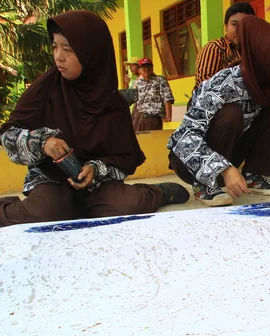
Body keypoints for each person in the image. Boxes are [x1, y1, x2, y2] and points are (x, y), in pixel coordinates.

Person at [0, 10, 189, 227]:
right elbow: (8, 134)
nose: (58, 56)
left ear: (92, 53)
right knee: (45, 212)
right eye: (55, 46)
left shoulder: (112, 102)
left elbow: (123, 158)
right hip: (51, 179)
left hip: (97, 184)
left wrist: (95, 169)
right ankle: (63, 206)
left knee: (129, 204)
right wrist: (43, 143)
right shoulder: (46, 89)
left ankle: (159, 192)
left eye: (68, 49)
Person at [168, 16, 270, 207]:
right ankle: (203, 184)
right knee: (231, 114)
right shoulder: (223, 84)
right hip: (190, 163)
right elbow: (184, 138)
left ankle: (254, 176)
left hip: (230, 155)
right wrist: (226, 170)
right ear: (267, 62)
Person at [193, 2, 270, 170]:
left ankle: (263, 170)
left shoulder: (257, 51)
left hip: (249, 104)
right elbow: (203, 87)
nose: (239, 30)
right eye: (234, 24)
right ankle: (213, 171)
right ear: (225, 26)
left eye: (245, 25)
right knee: (233, 112)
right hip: (217, 108)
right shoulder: (215, 49)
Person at [133, 57, 175, 131]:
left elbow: (167, 99)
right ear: (139, 70)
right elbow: (135, 101)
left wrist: (168, 117)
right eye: (143, 67)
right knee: (139, 141)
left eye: (149, 66)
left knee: (152, 141)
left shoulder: (160, 80)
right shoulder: (137, 83)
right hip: (139, 117)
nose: (146, 69)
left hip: (154, 118)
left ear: (152, 68)